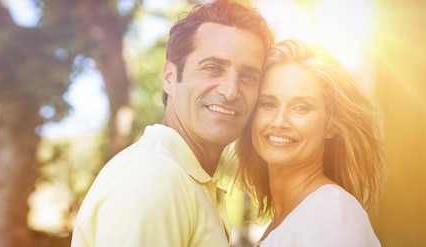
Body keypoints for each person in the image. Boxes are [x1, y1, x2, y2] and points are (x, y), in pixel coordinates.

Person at [71, 1, 273, 246]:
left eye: (248, 76)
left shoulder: (183, 178)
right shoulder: (154, 177)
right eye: (212, 68)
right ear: (169, 77)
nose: (231, 91)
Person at [234, 39, 388, 247]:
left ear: (331, 124)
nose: (279, 121)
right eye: (268, 104)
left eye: (300, 107)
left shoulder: (331, 213)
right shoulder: (293, 217)